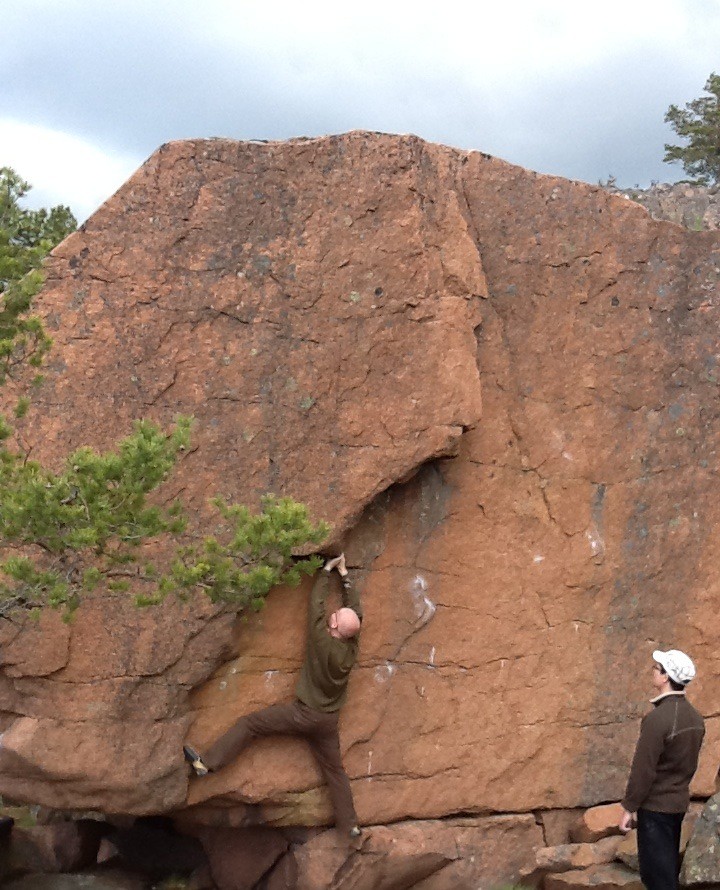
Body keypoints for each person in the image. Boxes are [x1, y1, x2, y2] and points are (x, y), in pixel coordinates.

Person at [183, 554, 363, 839]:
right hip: (327, 722)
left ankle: (206, 763)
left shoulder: (321, 641)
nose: (333, 613)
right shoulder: (351, 649)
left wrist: (327, 571)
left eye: (335, 616)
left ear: (333, 628)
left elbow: (315, 606)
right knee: (335, 771)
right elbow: (357, 615)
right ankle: (350, 824)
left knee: (251, 724)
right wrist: (345, 576)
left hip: (303, 715)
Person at [619, 648, 705, 890]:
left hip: (655, 808)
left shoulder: (657, 720)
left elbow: (643, 769)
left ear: (666, 677)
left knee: (657, 878)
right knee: (666, 872)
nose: (653, 672)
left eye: (656, 668)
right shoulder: (696, 719)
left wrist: (629, 806)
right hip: (677, 804)